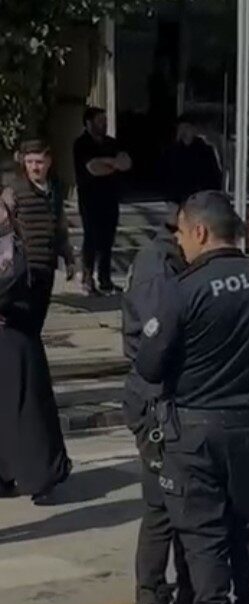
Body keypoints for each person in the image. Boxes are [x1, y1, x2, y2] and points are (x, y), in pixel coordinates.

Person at [135, 191, 249, 604]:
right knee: (248, 530)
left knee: (203, 537)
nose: (179, 242)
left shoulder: (183, 289)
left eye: (180, 232)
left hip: (195, 428)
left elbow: (151, 365)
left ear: (199, 232)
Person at [120, 208, 196, 604]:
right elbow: (154, 342)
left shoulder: (173, 262)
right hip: (153, 400)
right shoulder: (158, 265)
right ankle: (148, 602)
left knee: (179, 504)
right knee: (161, 509)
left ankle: (184, 595)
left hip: (167, 396)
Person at [0, 200, 73, 503]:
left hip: (17, 337)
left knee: (28, 414)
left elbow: (16, 285)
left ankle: (42, 478)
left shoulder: (18, 249)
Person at [3, 140, 77, 334]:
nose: (34, 167)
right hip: (22, 269)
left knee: (37, 320)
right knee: (19, 322)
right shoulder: (14, 190)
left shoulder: (55, 189)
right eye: (29, 162)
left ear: (49, 162)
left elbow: (59, 225)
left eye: (39, 162)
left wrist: (68, 258)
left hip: (46, 265)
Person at [74, 106, 131, 296]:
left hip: (110, 197)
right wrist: (112, 163)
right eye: (100, 120)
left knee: (107, 240)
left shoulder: (111, 143)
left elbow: (126, 162)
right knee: (91, 237)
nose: (104, 124)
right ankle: (87, 279)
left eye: (105, 120)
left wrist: (109, 163)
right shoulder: (81, 144)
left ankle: (105, 280)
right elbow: (92, 168)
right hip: (90, 199)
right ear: (89, 123)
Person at [160, 115, 222, 207]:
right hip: (177, 198)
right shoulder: (172, 151)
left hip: (200, 198)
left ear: (194, 130)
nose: (183, 131)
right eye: (181, 128)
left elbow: (214, 177)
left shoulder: (205, 150)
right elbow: (166, 175)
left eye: (187, 128)